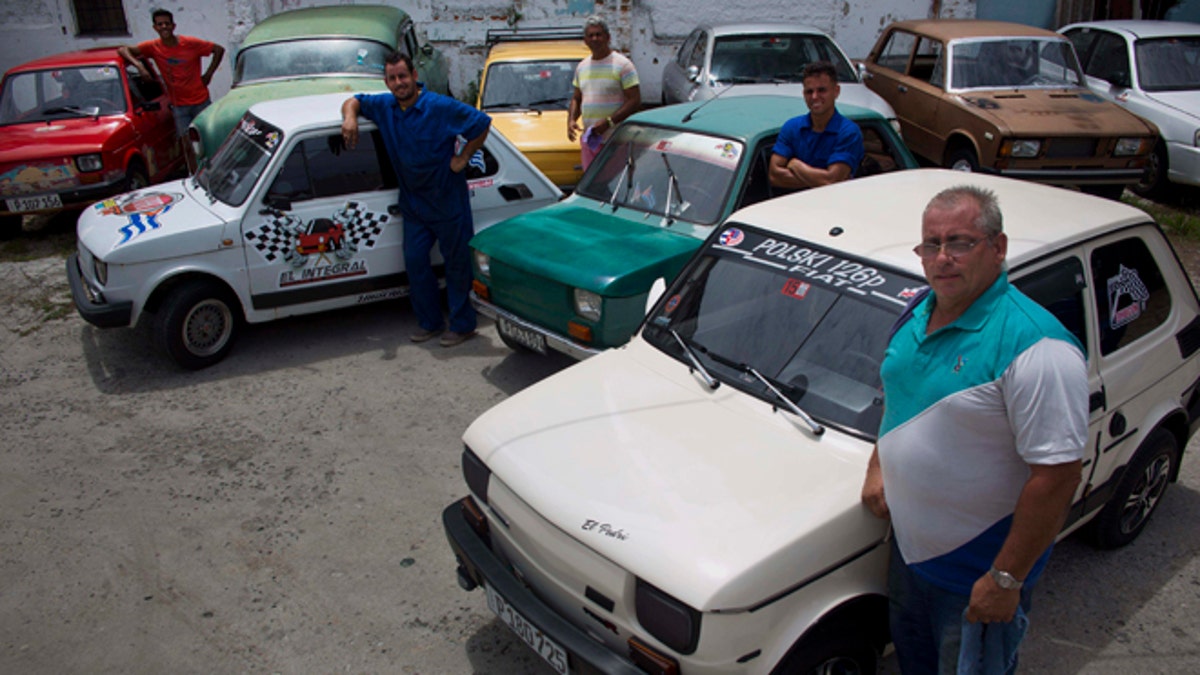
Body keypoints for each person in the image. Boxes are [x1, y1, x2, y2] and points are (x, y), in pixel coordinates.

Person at [861, 185, 1087, 673]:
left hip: (975, 573)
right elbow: (900, 396)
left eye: (960, 242)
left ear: (998, 247)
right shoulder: (919, 309)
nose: (942, 258)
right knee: (914, 661)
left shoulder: (1037, 347)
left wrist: (1006, 580)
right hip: (911, 554)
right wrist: (879, 463)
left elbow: (1058, 476)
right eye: (931, 244)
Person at [341, 52, 491, 348]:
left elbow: (482, 122)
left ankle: (462, 326)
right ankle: (430, 323)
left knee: (457, 266)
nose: (399, 83)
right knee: (415, 263)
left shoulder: (439, 107)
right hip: (414, 205)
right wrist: (349, 118)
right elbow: (353, 100)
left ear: (413, 76)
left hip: (448, 201)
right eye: (393, 78)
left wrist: (462, 158)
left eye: (403, 76)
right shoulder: (385, 106)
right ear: (387, 82)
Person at [118, 9, 224, 172]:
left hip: (200, 101)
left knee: (209, 141)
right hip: (179, 106)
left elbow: (218, 50)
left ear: (173, 25)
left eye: (167, 23)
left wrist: (208, 74)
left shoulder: (191, 43)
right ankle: (194, 176)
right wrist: (140, 67)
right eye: (160, 24)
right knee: (187, 145)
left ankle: (215, 172)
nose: (164, 27)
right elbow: (123, 50)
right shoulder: (153, 47)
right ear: (155, 28)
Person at [769, 61, 863, 189]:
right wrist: (820, 179)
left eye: (822, 90)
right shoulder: (791, 127)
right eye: (809, 92)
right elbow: (774, 175)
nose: (814, 97)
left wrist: (797, 165)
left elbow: (832, 181)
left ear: (836, 91)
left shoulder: (848, 132)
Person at [567, 15, 641, 171]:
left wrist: (608, 122)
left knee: (613, 188)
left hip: (615, 142)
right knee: (592, 188)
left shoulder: (623, 65)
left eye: (599, 34)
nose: (595, 38)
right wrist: (571, 120)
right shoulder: (582, 67)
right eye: (591, 35)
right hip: (590, 142)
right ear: (585, 40)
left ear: (608, 37)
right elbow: (577, 98)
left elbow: (634, 101)